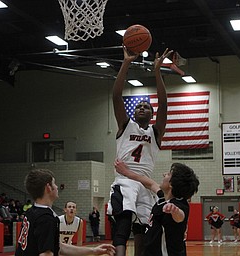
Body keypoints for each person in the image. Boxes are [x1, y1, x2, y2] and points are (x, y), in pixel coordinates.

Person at [106, 46, 172, 256]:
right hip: (125, 180)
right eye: (139, 106)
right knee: (124, 221)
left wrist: (157, 71)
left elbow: (164, 104)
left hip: (146, 183)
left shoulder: (155, 132)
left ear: (152, 114)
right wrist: (126, 62)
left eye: (146, 107)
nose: (142, 108)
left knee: (144, 228)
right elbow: (117, 95)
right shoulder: (126, 126)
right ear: (133, 112)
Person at [15, 168, 115, 256]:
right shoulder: (46, 218)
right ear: (48, 188)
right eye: (54, 183)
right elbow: (46, 254)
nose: (57, 187)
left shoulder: (32, 212)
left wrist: (93, 251)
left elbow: (58, 247)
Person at [115, 160, 199, 255]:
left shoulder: (179, 204)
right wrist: (126, 172)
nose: (164, 175)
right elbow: (150, 184)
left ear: (171, 184)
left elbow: (180, 217)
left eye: (168, 174)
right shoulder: (163, 198)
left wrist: (174, 211)